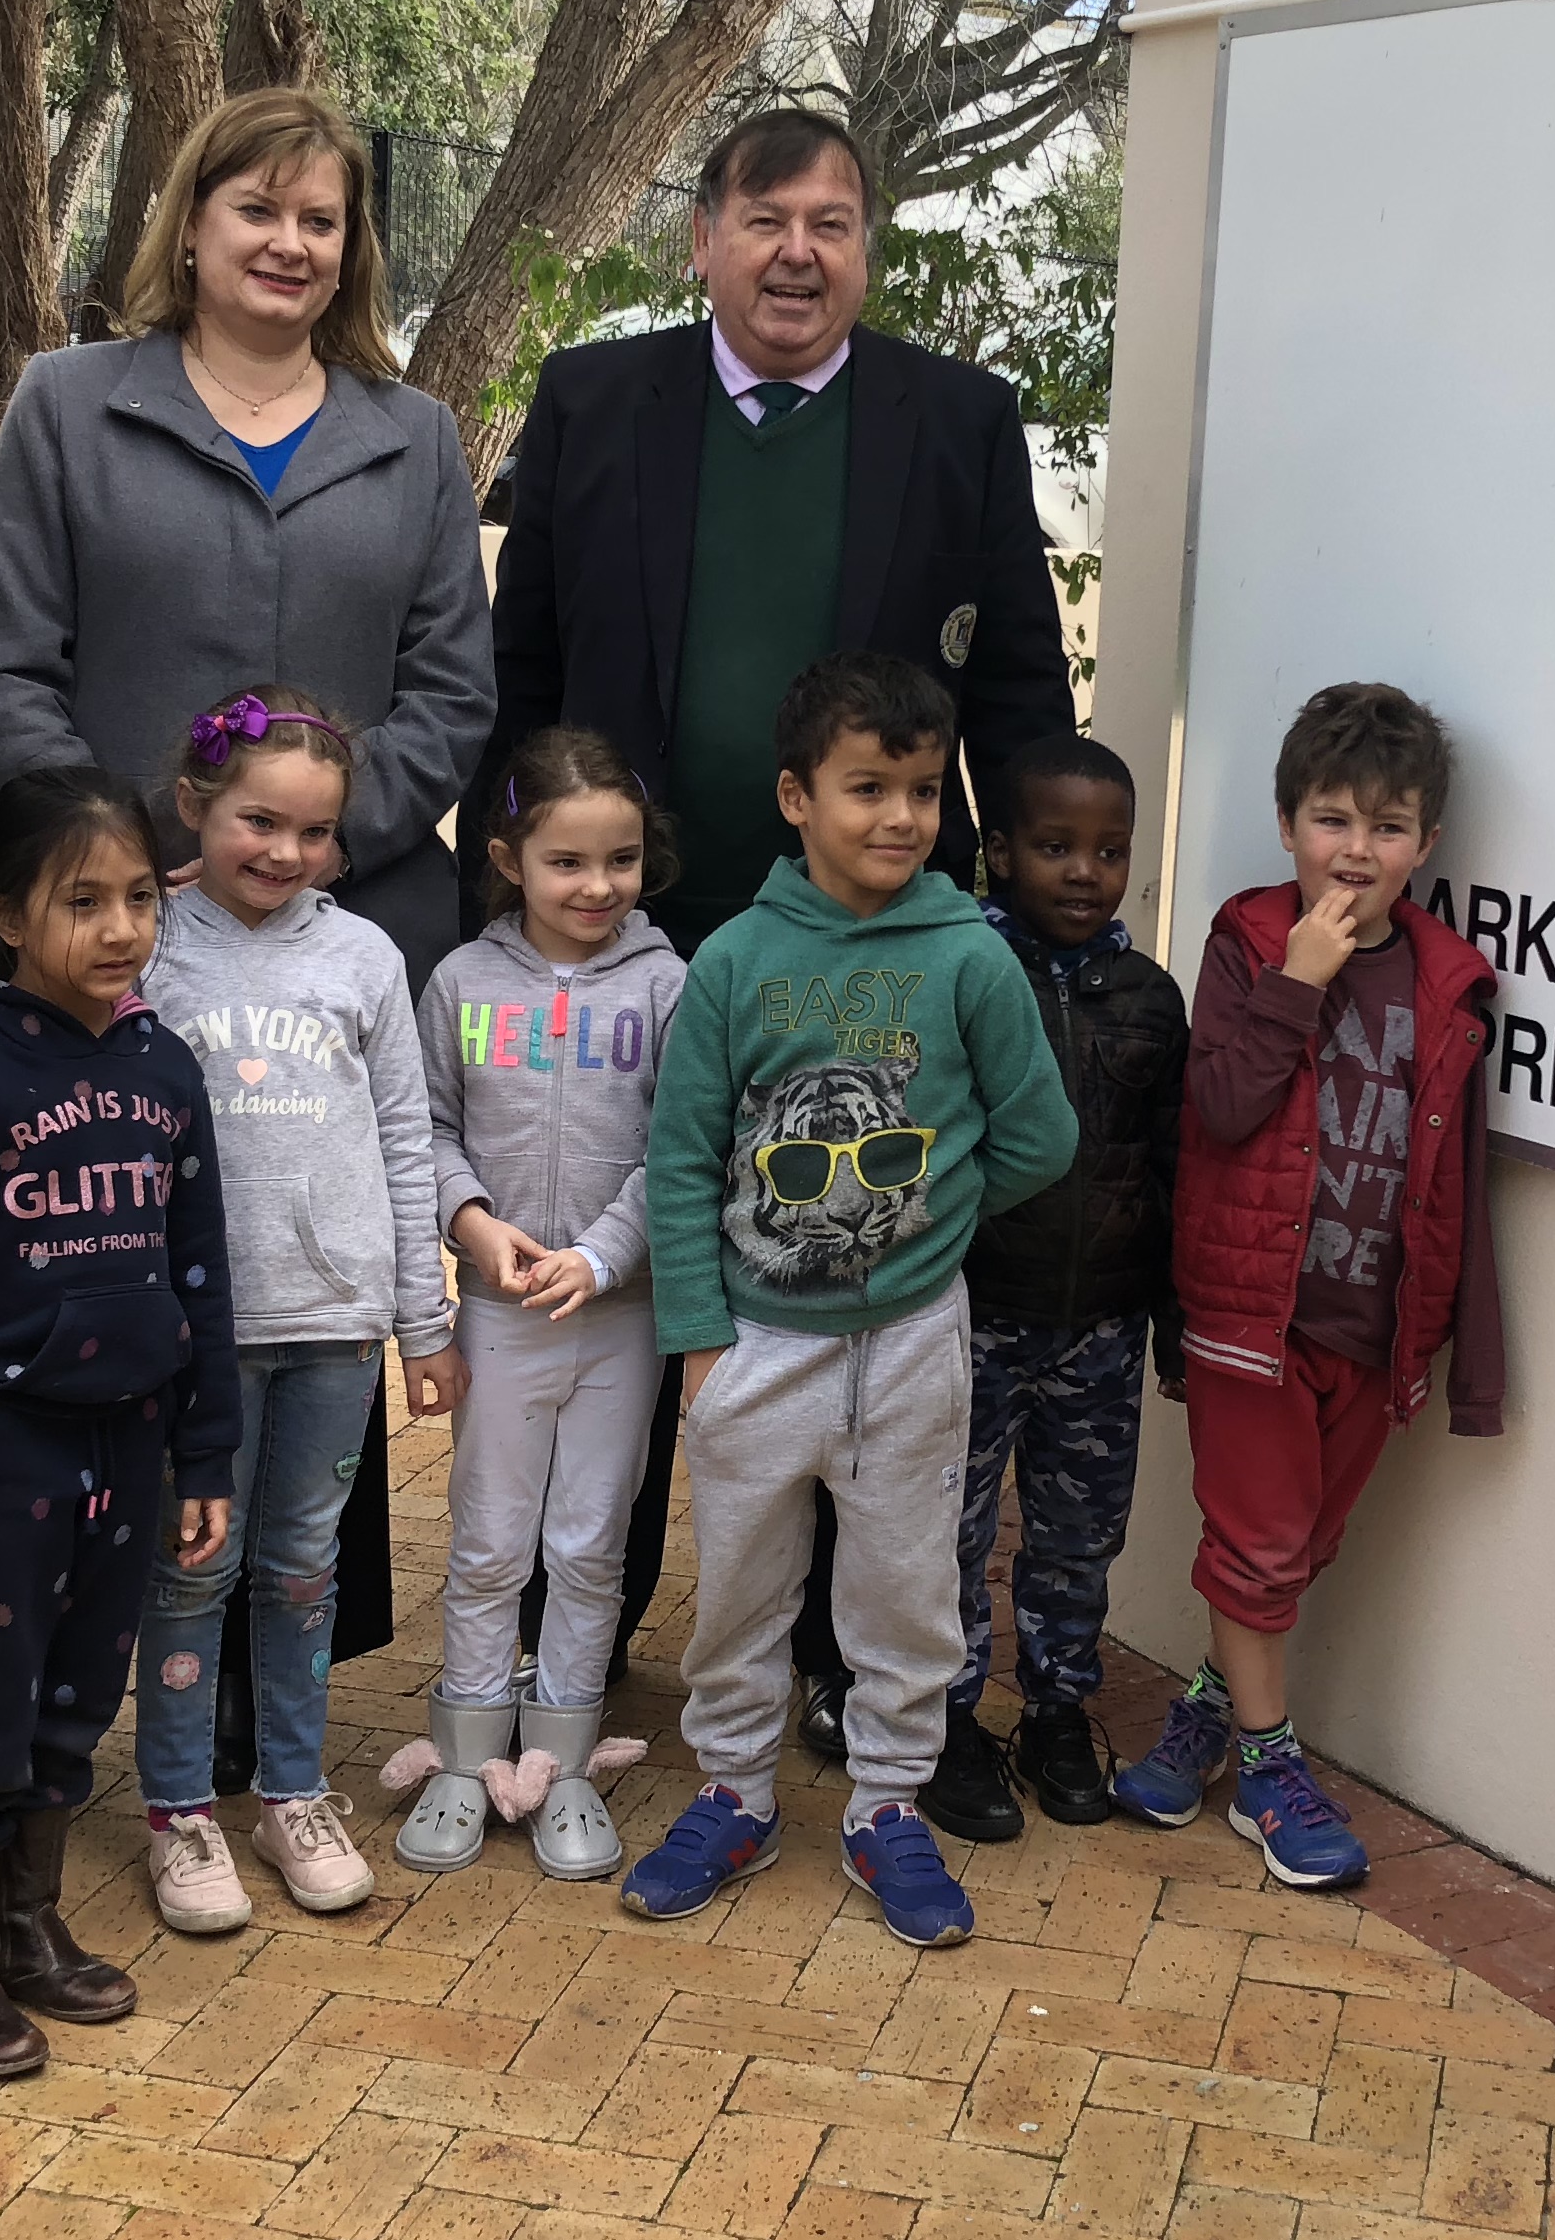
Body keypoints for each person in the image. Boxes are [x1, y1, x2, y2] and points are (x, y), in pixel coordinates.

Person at [483, 105, 1070, 1709]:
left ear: (865, 245)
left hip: (858, 963)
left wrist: (1021, 912)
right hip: (628, 942)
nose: (799, 251)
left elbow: (1017, 676)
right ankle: (568, 1651)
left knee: (838, 1289)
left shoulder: (954, 420)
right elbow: (522, 664)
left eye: (832, 222)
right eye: (767, 220)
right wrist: (508, 881)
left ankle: (825, 1663)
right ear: (703, 238)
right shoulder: (596, 400)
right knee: (632, 1300)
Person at [0, 84, 489, 1695]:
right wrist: (131, 874)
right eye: (257, 208)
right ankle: (97, 1683)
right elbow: (9, 674)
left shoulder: (413, 442)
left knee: (315, 1299)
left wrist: (307, 846)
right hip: (122, 958)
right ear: (187, 222)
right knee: (117, 1297)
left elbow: (453, 695)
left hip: (352, 947)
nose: (288, 241)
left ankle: (287, 1708)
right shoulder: (70, 407)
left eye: (320, 219)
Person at [617, 654, 1076, 1949]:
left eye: (923, 791)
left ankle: (888, 1810)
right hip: (756, 1345)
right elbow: (682, 1158)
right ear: (794, 796)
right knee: (740, 1595)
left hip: (914, 1343)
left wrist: (932, 1220)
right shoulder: (735, 961)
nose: (898, 816)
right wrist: (699, 1341)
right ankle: (732, 1793)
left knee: (906, 1595)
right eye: (866, 786)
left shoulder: (968, 960)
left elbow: (1038, 1135)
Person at [0, 769, 235, 2079]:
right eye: (84, 900)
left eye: (139, 896)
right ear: (10, 912)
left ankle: (23, 1923)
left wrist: (206, 1451)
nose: (122, 927)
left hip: (127, 1444)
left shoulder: (162, 1064)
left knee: (75, 1704)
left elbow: (201, 1273)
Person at [1115, 683, 1508, 1892]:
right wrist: (1298, 978)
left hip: (1376, 1329)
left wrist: (1467, 1355)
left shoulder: (1452, 985)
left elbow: (1464, 1178)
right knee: (1260, 1540)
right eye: (1333, 819)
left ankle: (1203, 1715)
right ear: (1288, 824)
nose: (1358, 850)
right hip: (1252, 1321)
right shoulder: (1246, 942)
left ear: (1426, 847)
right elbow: (1222, 1106)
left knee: (1298, 1550)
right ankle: (1272, 1772)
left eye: (1388, 827)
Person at [133, 692, 463, 1924]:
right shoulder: (150, 946)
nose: (284, 852)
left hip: (334, 1324)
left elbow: (401, 1136)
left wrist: (420, 1321)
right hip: (191, 1334)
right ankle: (176, 1810)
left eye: (314, 833)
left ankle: (290, 1790)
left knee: (303, 1570)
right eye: (257, 822)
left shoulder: (364, 958)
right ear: (194, 809)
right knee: (187, 1569)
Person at [399, 728, 685, 1881]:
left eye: (621, 860)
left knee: (591, 1539)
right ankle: (466, 1754)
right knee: (488, 1539)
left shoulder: (672, 984)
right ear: (510, 857)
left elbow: (687, 1144)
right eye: (568, 861)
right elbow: (421, 1127)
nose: (598, 886)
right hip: (501, 1314)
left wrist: (607, 1256)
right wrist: (474, 1227)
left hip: (621, 1321)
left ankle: (563, 1762)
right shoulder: (462, 982)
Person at [918, 735, 1187, 1846]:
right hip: (973, 1317)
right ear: (999, 855)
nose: (1085, 870)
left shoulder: (1151, 999)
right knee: (953, 1533)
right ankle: (945, 1721)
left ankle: (1059, 1711)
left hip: (1104, 1328)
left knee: (1080, 1536)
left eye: (1110, 850)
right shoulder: (967, 977)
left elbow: (1173, 1167)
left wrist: (1172, 1317)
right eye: (1056, 846)